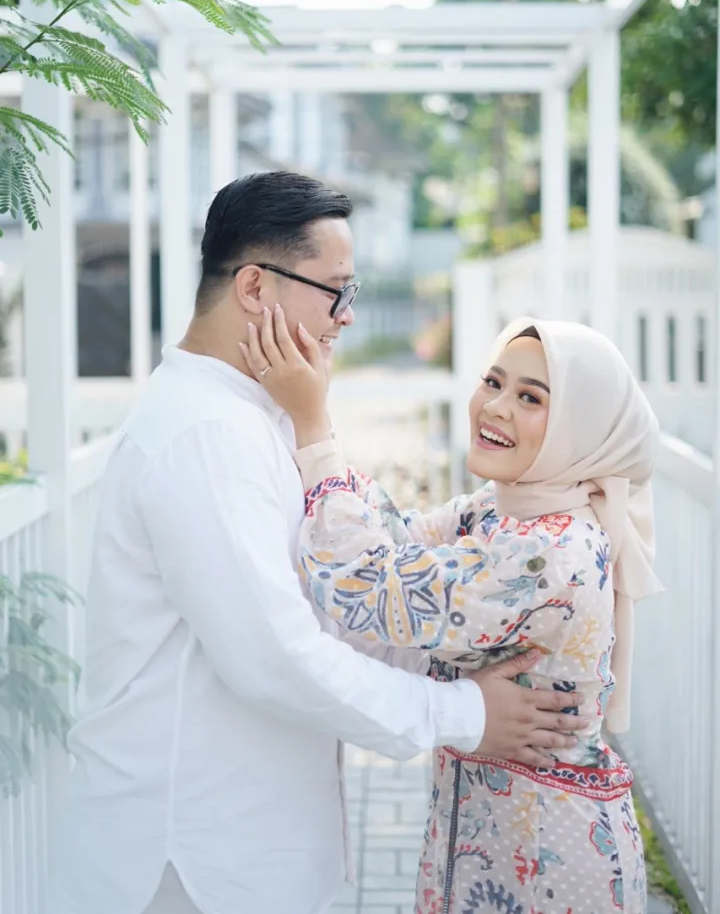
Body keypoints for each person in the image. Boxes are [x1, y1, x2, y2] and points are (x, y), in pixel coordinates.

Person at [47, 173, 586, 914]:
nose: (347, 315)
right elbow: (276, 657)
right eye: (335, 291)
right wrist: (463, 714)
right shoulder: (205, 435)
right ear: (254, 287)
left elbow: (339, 588)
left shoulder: (255, 415)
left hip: (237, 843)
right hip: (185, 857)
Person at [242, 307, 662, 914]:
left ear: (582, 426)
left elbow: (368, 585)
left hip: (547, 859)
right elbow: (398, 542)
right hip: (486, 835)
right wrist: (314, 417)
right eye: (493, 383)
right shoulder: (503, 509)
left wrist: (312, 426)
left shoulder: (552, 550)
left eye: (531, 397)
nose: (496, 407)